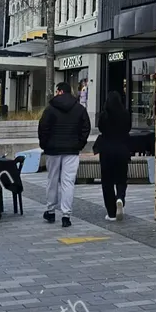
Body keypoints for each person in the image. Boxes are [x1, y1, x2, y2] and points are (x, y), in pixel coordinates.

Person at [38, 81, 90, 227]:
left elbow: (43, 128)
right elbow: (86, 128)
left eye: (57, 91)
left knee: (52, 180)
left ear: (60, 91)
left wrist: (45, 145)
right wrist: (79, 144)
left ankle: (50, 210)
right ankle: (66, 215)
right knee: (68, 182)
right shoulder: (79, 109)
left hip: (53, 150)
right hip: (72, 150)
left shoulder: (50, 109)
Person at [96, 90, 131, 221]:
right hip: (122, 148)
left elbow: (100, 128)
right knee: (121, 178)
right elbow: (128, 128)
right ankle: (120, 198)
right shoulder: (125, 114)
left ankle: (111, 212)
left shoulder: (104, 115)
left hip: (106, 150)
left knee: (107, 181)